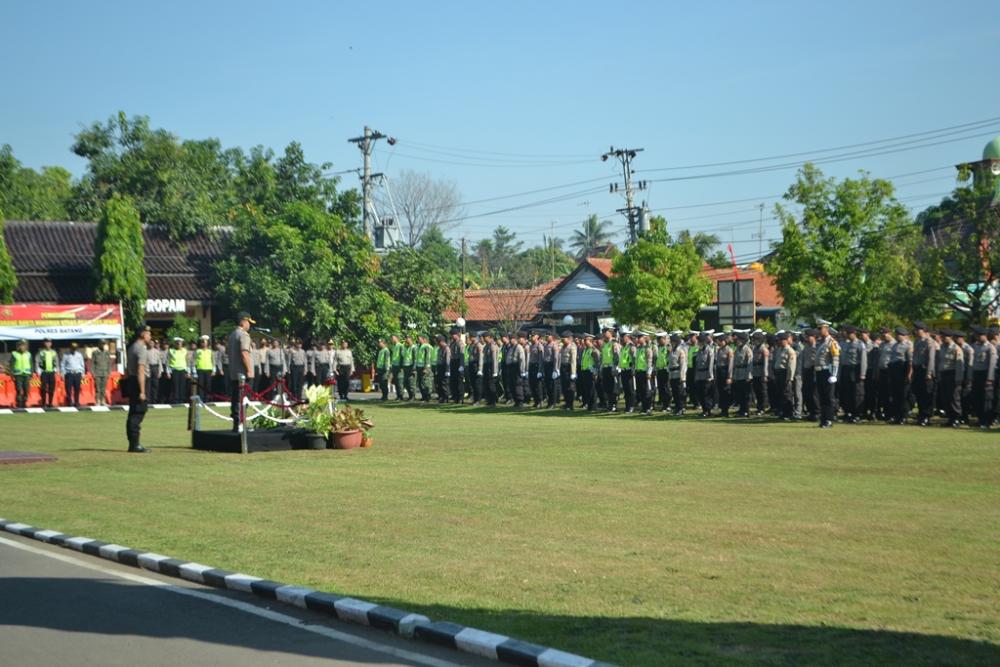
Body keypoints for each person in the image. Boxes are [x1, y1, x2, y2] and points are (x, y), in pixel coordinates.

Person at [124, 326, 153, 453]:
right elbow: (141, 370)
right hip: (138, 382)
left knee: (133, 413)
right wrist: (142, 391)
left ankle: (132, 443)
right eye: (148, 333)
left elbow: (127, 368)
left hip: (132, 380)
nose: (150, 336)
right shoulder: (141, 348)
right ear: (142, 334)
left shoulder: (131, 347)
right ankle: (135, 444)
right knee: (138, 413)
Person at [226, 312, 255, 431]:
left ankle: (236, 424)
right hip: (243, 374)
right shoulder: (244, 335)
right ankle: (241, 424)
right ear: (243, 321)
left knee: (235, 399)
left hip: (234, 373)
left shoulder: (232, 335)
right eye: (248, 322)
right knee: (243, 400)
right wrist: (250, 370)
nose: (249, 325)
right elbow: (244, 353)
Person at [813, 320, 841, 429]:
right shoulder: (820, 342)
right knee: (822, 397)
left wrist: (834, 374)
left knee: (829, 397)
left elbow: (835, 359)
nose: (819, 331)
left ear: (826, 329)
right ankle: (823, 419)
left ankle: (829, 419)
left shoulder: (832, 342)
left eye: (820, 328)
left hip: (827, 372)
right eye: (818, 329)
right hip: (819, 372)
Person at [911, 321, 938, 427]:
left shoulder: (929, 341)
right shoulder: (917, 341)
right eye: (916, 329)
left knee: (927, 394)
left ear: (924, 330)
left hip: (925, 370)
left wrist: (929, 372)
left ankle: (926, 416)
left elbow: (931, 358)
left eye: (918, 329)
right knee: (919, 393)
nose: (916, 331)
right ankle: (921, 414)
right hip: (917, 370)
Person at [838, 325, 867, 423]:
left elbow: (863, 359)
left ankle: (857, 414)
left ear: (854, 333)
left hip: (855, 369)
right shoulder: (846, 344)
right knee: (847, 392)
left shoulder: (860, 344)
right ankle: (848, 412)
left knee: (857, 393)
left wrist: (862, 373)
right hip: (846, 369)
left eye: (848, 333)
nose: (846, 335)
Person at [937, 329, 965, 428]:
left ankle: (956, 418)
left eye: (945, 337)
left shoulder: (956, 348)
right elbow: (940, 362)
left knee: (954, 397)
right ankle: (950, 418)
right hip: (943, 374)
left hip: (952, 375)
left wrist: (958, 379)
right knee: (946, 398)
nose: (943, 338)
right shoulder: (942, 347)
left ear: (951, 337)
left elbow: (959, 365)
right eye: (942, 337)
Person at [772, 331, 797, 420]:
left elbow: (791, 366)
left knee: (787, 394)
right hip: (778, 373)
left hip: (785, 373)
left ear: (785, 340)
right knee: (780, 394)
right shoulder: (779, 349)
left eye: (780, 340)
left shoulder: (790, 351)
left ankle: (789, 413)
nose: (779, 341)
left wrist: (789, 378)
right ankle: (783, 412)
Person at [732, 330, 753, 417]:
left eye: (739, 340)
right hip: (738, 374)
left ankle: (746, 410)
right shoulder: (737, 349)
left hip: (745, 374)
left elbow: (749, 364)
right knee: (739, 393)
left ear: (743, 340)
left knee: (745, 394)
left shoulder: (747, 350)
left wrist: (749, 376)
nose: (737, 341)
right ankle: (741, 410)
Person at [668, 332, 688, 415]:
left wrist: (682, 376)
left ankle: (681, 408)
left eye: (672, 341)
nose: (671, 343)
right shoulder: (671, 350)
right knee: (674, 392)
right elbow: (670, 363)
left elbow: (683, 364)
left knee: (680, 392)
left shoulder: (680, 350)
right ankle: (677, 407)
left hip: (678, 373)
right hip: (672, 373)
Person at [90, 339, 114, 406]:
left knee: (103, 388)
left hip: (105, 373)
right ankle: (97, 401)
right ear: (99, 344)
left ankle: (103, 401)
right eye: (102, 344)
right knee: (97, 388)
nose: (103, 345)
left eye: (104, 344)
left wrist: (109, 372)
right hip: (97, 373)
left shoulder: (107, 353)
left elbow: (109, 363)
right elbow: (92, 363)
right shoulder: (95, 353)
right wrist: (93, 373)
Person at [751, 330, 769, 415]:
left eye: (755, 339)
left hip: (761, 372)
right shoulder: (755, 348)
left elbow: (765, 363)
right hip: (755, 372)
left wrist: (765, 375)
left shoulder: (764, 349)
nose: (754, 341)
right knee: (757, 391)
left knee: (762, 391)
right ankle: (759, 407)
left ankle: (762, 407)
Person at [61, 342, 85, 407]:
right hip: (69, 373)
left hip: (77, 373)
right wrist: (63, 374)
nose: (74, 349)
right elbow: (63, 364)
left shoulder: (79, 355)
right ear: (70, 348)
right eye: (73, 348)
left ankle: (76, 402)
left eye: (75, 348)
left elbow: (82, 364)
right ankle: (69, 402)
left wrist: (83, 373)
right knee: (68, 389)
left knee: (77, 389)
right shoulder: (66, 355)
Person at [557, 330, 577, 410]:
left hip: (569, 368)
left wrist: (573, 373)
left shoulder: (572, 347)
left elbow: (573, 361)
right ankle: (566, 403)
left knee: (570, 387)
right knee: (564, 386)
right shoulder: (563, 347)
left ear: (569, 338)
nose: (562, 340)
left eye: (564, 338)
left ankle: (570, 404)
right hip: (563, 368)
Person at [36, 338, 58, 407]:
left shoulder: (54, 352)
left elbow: (56, 361)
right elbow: (37, 361)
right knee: (43, 388)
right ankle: (43, 403)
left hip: (51, 372)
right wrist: (38, 371)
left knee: (52, 388)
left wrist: (57, 370)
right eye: (46, 342)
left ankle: (50, 403)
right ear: (44, 343)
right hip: (44, 372)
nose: (48, 344)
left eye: (49, 342)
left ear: (51, 344)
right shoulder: (41, 352)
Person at [11, 339, 33, 408]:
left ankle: (24, 402)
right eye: (21, 345)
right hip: (18, 375)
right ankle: (19, 403)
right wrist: (12, 374)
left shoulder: (29, 354)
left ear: (26, 346)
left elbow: (31, 364)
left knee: (26, 389)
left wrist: (31, 373)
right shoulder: (14, 354)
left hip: (26, 374)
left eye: (23, 345)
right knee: (19, 389)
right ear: (18, 346)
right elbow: (12, 364)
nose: (22, 347)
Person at [167, 337, 188, 403]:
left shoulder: (185, 351)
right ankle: (176, 399)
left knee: (182, 385)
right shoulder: (171, 350)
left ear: (182, 344)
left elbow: (187, 361)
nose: (178, 344)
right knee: (175, 386)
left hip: (183, 370)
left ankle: (182, 399)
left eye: (180, 343)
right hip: (174, 370)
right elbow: (168, 361)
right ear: (175, 344)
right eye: (177, 343)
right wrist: (168, 372)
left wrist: (188, 372)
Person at [482, 332, 501, 407]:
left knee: (491, 385)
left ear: (489, 337)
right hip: (486, 366)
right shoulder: (486, 346)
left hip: (491, 366)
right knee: (486, 384)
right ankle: (489, 400)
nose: (484, 339)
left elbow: (494, 360)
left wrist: (495, 371)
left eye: (485, 337)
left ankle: (493, 400)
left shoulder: (493, 346)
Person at [414, 335, 434, 402]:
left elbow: (427, 357)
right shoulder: (419, 346)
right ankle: (423, 396)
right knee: (420, 382)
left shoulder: (426, 346)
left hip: (424, 367)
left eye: (419, 339)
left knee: (426, 382)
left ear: (424, 339)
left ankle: (427, 397)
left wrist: (426, 367)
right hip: (419, 367)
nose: (418, 340)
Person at [449, 327, 465, 404]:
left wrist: (461, 365)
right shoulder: (452, 343)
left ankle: (460, 398)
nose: (452, 336)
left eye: (453, 334)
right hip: (453, 362)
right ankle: (455, 397)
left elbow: (462, 355)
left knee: (459, 381)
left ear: (457, 334)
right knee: (453, 381)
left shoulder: (460, 343)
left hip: (458, 362)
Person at [435, 335, 451, 403]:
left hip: (444, 367)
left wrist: (447, 370)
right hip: (440, 367)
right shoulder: (439, 349)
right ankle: (441, 396)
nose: (437, 343)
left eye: (438, 342)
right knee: (439, 383)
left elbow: (447, 360)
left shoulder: (446, 349)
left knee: (444, 383)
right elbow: (438, 360)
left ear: (441, 341)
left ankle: (446, 397)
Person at [402, 334, 417, 401]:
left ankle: (413, 396)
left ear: (411, 339)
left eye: (407, 338)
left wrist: (414, 368)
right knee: (406, 382)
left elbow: (415, 358)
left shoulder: (414, 347)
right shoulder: (406, 348)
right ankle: (410, 396)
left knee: (411, 382)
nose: (406, 340)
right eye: (405, 338)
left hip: (411, 367)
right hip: (406, 367)